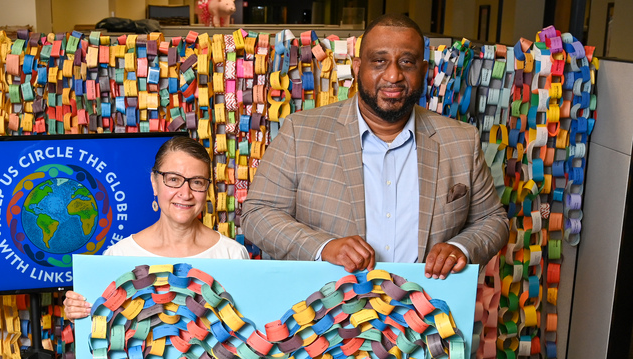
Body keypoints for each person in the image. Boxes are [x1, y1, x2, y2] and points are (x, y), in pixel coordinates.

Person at [241, 14, 509, 280]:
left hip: (427, 311)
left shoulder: (461, 140)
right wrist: (323, 247)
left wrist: (460, 248)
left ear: (424, 71)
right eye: (379, 61)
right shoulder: (301, 132)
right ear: (357, 67)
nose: (393, 75)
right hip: (329, 313)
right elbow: (257, 215)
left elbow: (493, 221)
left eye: (407, 62)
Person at [64, 136, 249, 320]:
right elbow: (104, 329)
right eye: (174, 179)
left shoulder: (232, 254)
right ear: (154, 182)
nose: (185, 194)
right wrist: (79, 311)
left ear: (207, 189)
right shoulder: (119, 255)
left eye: (197, 182)